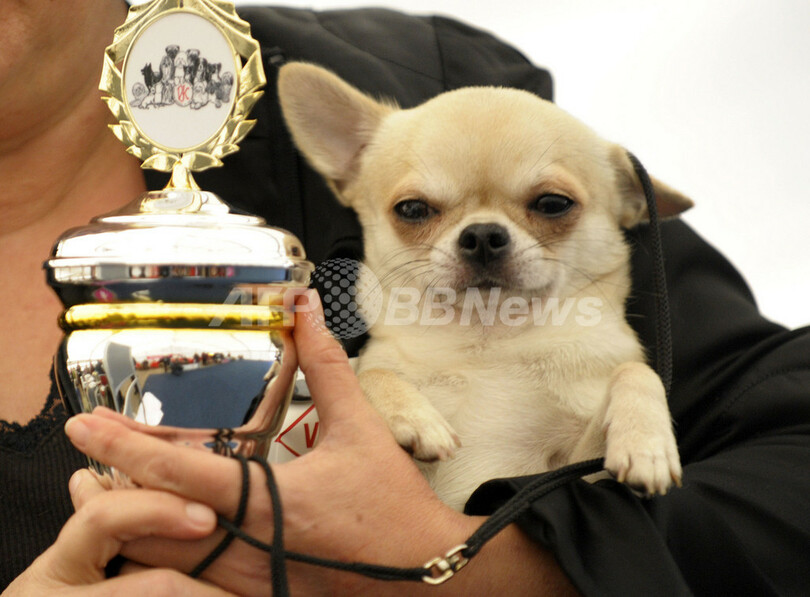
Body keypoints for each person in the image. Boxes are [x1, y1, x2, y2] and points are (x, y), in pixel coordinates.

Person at [1, 1, 808, 595]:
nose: (485, 238)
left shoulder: (437, 88)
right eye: (419, 210)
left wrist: (468, 569)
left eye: (549, 206)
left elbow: (788, 455)